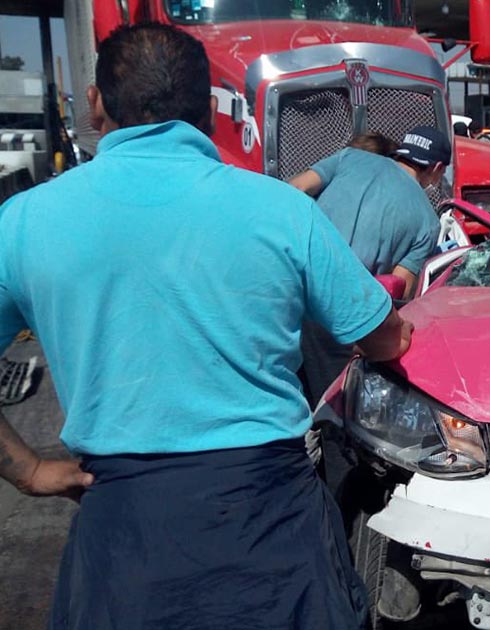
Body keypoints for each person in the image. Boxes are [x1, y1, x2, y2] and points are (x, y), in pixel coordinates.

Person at [0, 23, 411, 630]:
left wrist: (30, 470)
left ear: (95, 103)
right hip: (270, 520)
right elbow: (382, 336)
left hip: (124, 526)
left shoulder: (25, 221)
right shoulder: (281, 210)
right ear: (213, 111)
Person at [289, 126, 447, 404]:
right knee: (332, 417)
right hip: (339, 320)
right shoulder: (428, 222)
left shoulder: (349, 157)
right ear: (436, 168)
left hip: (290, 291)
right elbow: (397, 288)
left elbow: (295, 189)